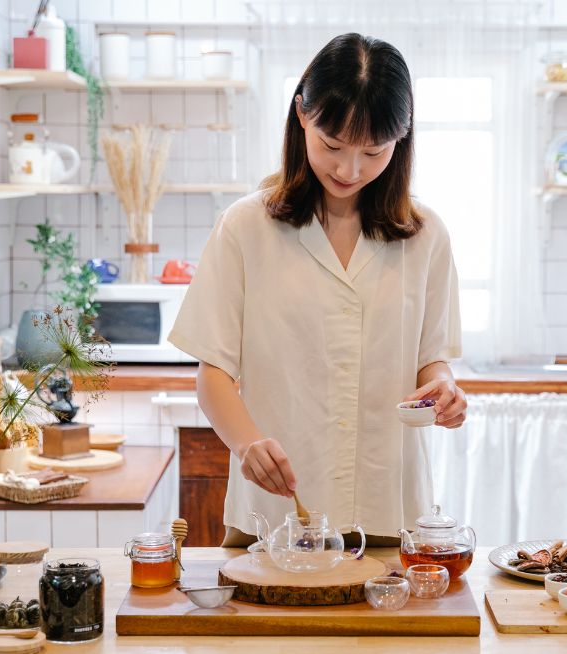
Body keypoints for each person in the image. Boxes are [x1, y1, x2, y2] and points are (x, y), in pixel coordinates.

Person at [169, 33, 465, 547]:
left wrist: (443, 389)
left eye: (374, 152)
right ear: (302, 114)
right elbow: (213, 372)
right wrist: (247, 445)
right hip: (277, 512)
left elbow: (430, 359)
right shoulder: (245, 228)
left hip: (388, 509)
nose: (350, 170)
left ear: (402, 137)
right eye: (333, 146)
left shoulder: (426, 235)